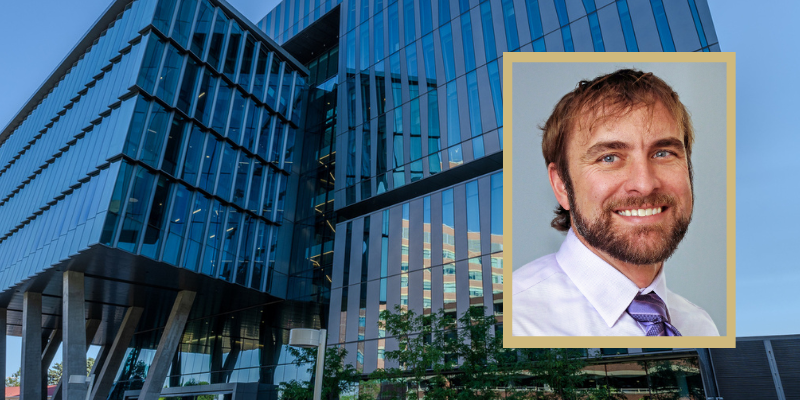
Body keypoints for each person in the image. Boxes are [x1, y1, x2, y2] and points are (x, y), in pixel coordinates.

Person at [512, 69, 719, 336]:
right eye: (609, 158)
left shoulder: (699, 326)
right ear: (561, 185)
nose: (644, 184)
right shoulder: (517, 318)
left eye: (663, 153)